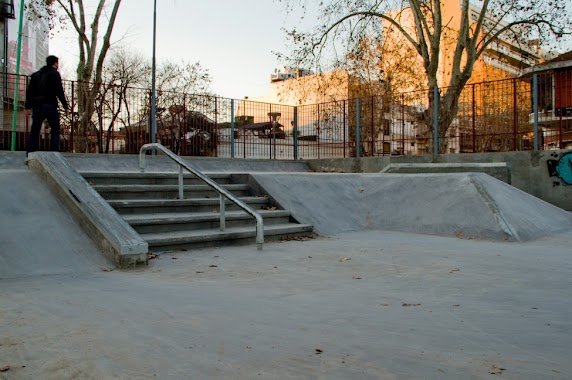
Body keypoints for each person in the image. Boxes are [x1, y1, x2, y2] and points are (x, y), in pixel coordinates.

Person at [25, 55, 69, 157]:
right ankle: (54, 154)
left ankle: (30, 154)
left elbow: (29, 92)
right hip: (50, 105)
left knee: (35, 131)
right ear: (55, 63)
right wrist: (66, 106)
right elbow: (59, 91)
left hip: (37, 106)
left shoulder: (35, 75)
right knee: (55, 129)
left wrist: (27, 107)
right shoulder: (54, 74)